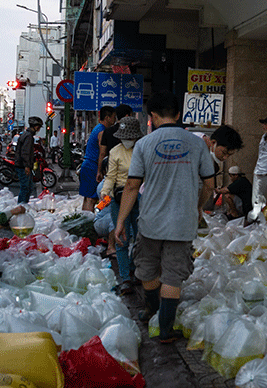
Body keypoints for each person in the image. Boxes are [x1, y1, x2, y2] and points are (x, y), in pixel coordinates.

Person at [113, 92, 214, 343]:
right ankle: (165, 329)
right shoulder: (198, 143)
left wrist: (121, 221)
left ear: (153, 117)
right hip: (183, 221)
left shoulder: (144, 144)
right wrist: (198, 207)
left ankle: (151, 311)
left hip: (151, 222)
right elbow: (209, 185)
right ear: (179, 114)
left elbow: (132, 187)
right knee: (173, 275)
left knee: (147, 269)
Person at [102, 114, 143, 292]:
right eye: (124, 138)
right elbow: (110, 177)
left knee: (141, 237)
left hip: (141, 198)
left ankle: (136, 269)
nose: (127, 141)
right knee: (122, 239)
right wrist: (105, 194)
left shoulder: (141, 150)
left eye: (130, 138)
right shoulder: (115, 152)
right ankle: (125, 277)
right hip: (120, 198)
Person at [80, 106, 117, 211]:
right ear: (107, 117)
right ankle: (90, 221)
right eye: (113, 117)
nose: (115, 120)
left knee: (87, 198)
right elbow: (102, 153)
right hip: (93, 166)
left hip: (87, 165)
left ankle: (84, 220)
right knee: (92, 199)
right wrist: (99, 171)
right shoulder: (102, 132)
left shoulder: (97, 128)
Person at [97, 104, 133, 178]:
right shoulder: (133, 132)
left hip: (111, 169)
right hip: (128, 170)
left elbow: (102, 153)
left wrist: (99, 171)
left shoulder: (107, 131)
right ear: (127, 116)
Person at [14, 117, 43, 204]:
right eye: (39, 127)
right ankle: (21, 207)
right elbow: (25, 152)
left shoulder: (26, 134)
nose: (39, 129)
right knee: (25, 188)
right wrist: (27, 166)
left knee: (28, 187)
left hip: (22, 165)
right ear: (36, 127)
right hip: (23, 166)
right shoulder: (28, 136)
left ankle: (23, 206)